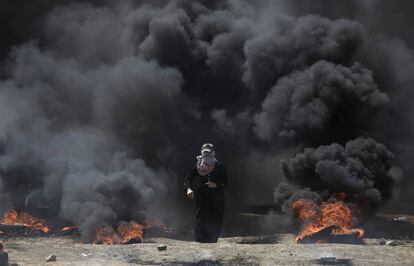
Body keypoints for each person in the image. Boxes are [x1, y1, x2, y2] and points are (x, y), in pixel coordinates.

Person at [184, 143, 228, 243]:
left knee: (215, 223)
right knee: (201, 222)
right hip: (202, 198)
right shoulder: (198, 166)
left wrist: (216, 184)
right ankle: (200, 244)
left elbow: (225, 182)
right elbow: (188, 179)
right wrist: (188, 189)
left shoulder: (220, 166)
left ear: (213, 153)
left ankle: (212, 245)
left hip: (217, 199)